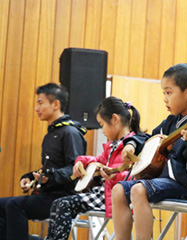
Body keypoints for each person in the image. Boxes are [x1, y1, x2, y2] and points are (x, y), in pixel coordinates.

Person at [111, 63, 187, 240]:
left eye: (169, 92)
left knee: (139, 190)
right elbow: (149, 138)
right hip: (167, 181)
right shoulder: (172, 122)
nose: (165, 98)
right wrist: (132, 144)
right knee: (118, 190)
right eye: (164, 93)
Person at [45, 96, 147, 240]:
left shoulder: (134, 144)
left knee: (63, 204)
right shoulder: (112, 144)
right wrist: (80, 161)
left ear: (115, 119)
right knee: (58, 203)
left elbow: (135, 175)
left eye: (102, 124)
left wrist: (114, 175)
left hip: (116, 197)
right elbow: (98, 160)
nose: (102, 130)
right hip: (105, 193)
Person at [0, 83, 87, 240]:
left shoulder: (70, 132)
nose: (36, 108)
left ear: (55, 104)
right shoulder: (52, 134)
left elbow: (76, 168)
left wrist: (51, 176)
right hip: (48, 194)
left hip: (63, 197)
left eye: (40, 102)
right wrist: (30, 177)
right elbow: (48, 169)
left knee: (15, 205)